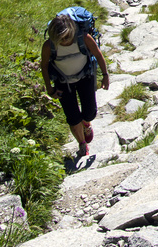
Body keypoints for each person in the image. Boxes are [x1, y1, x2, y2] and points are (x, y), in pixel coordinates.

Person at [40, 12, 110, 157]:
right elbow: (44, 66)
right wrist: (49, 88)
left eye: (67, 37)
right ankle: (82, 144)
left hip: (85, 77)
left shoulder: (84, 38)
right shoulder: (49, 46)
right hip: (62, 82)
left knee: (90, 112)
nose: (64, 41)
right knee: (72, 117)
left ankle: (86, 123)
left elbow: (97, 55)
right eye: (60, 38)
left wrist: (105, 76)